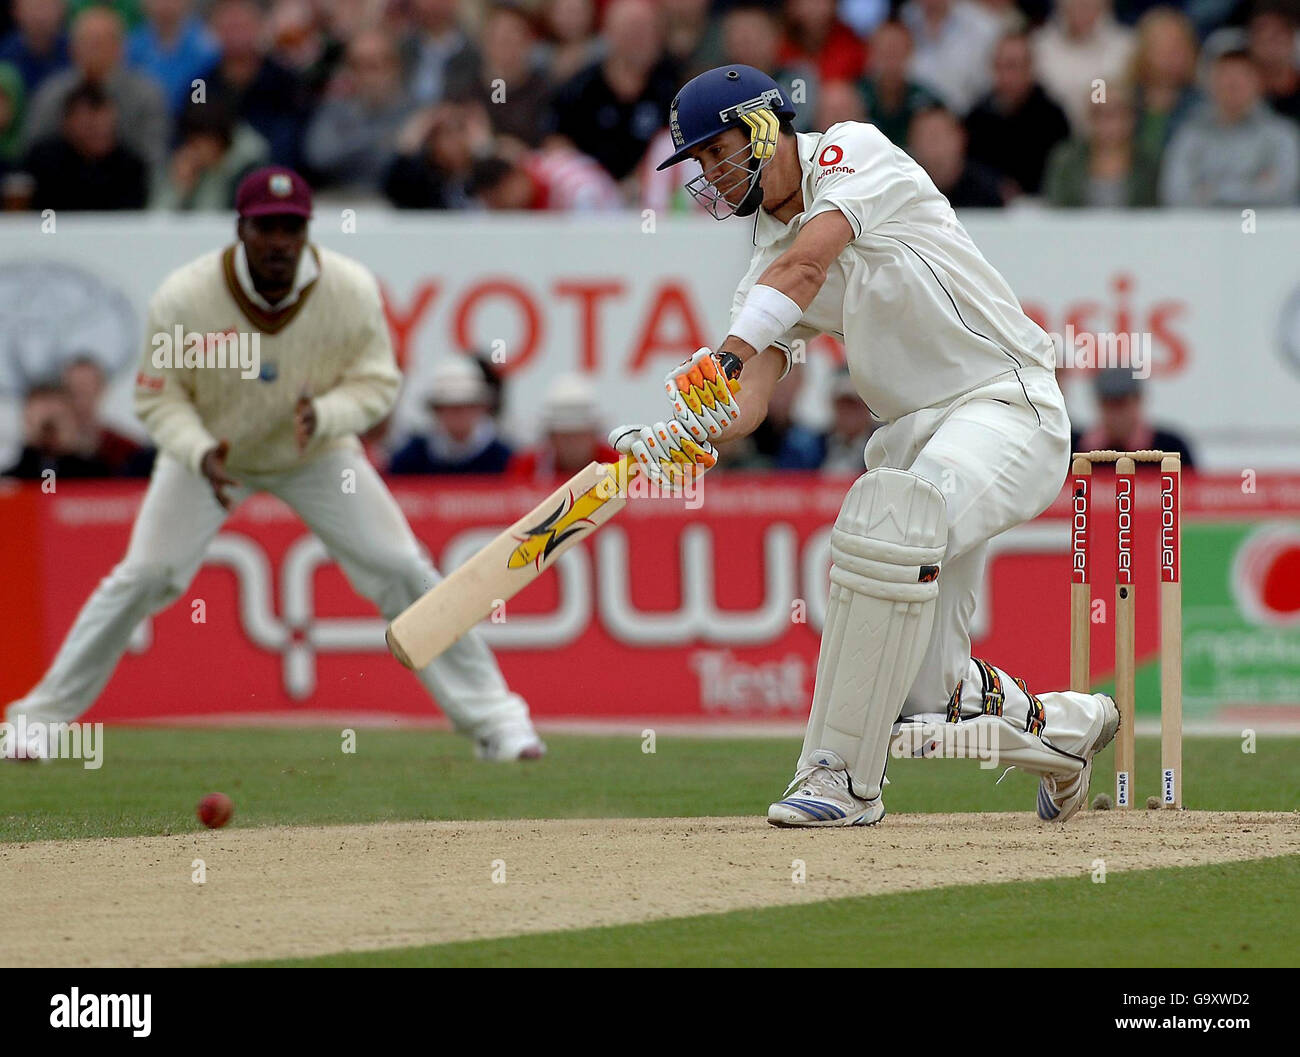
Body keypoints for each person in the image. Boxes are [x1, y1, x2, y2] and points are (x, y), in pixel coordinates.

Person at [631, 64, 1116, 827]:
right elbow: (750, 401)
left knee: (887, 524)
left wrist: (723, 352)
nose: (708, 175)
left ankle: (840, 778)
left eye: (715, 151)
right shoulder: (763, 265)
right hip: (916, 441)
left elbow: (808, 262)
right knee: (930, 701)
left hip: (1005, 404)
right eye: (695, 162)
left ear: (765, 126)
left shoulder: (849, 152)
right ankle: (1071, 729)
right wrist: (686, 433)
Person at [1, 167, 544, 764]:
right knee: (145, 575)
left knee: (401, 567)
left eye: (291, 227)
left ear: (307, 231)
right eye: (267, 227)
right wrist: (196, 449)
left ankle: (497, 720)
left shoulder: (348, 290)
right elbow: (159, 396)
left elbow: (377, 382)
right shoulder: (188, 296)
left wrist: (331, 415)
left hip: (313, 452)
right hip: (212, 453)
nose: (279, 241)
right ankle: (39, 723)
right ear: (241, 230)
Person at [23, 5, 168, 167]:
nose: (94, 50)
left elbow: (153, 158)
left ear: (120, 48)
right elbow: (33, 151)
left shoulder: (146, 95)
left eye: (101, 43)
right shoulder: (51, 93)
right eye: (86, 43)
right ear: (72, 48)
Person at [1160, 48, 1300, 207]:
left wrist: (1212, 191)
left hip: (1265, 229)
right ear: (1210, 83)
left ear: (1259, 82)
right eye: (1225, 76)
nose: (1232, 84)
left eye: (1241, 76)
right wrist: (1254, 187)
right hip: (1204, 229)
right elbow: (1175, 194)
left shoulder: (1282, 134)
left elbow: (1284, 191)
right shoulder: (1190, 135)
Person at [964, 32, 1070, 198]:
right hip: (988, 210)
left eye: (1012, 66)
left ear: (1029, 68)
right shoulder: (977, 118)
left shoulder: (1052, 118)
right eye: (998, 66)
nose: (1005, 76)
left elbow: (1062, 170)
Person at [24, 80, 149, 210]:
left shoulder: (131, 167)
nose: (100, 130)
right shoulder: (43, 163)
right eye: (90, 127)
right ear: (67, 123)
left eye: (105, 126)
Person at [388, 357, 514, 474]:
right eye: (450, 407)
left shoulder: (506, 459)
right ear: (436, 410)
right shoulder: (410, 458)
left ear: (482, 408)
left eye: (467, 405)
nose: (459, 414)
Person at [1042, 88, 1160, 207]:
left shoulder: (1149, 162)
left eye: (1116, 113)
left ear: (1132, 117)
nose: (1109, 123)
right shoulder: (1066, 161)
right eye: (1100, 114)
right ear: (1089, 118)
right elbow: (1056, 207)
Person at [1073, 368, 1197, 468]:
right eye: (1109, 405)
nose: (1117, 415)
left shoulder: (1172, 448)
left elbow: (1193, 494)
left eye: (1122, 404)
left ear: (1139, 400)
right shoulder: (1076, 451)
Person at [506, 373, 619, 481]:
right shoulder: (527, 467)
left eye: (579, 435)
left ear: (594, 434)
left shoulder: (618, 464)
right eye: (565, 436)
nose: (573, 444)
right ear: (551, 438)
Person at [3, 384, 113, 480]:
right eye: (45, 425)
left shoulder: (98, 475)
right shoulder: (10, 483)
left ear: (74, 421)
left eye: (60, 417)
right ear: (26, 422)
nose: (50, 435)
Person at [907, 105, 1005, 207]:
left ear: (960, 138)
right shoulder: (903, 190)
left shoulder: (990, 189)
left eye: (938, 136)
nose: (932, 145)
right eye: (924, 137)